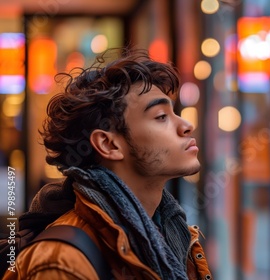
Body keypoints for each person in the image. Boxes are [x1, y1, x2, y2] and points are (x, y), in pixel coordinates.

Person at [2, 49, 212, 280]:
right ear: (108, 144)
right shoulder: (61, 261)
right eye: (161, 116)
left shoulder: (172, 233)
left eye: (173, 112)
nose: (186, 125)